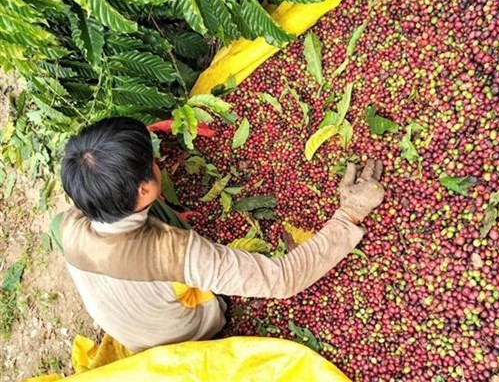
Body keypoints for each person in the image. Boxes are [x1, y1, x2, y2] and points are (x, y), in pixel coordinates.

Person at [55, 117, 384, 352]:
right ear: (143, 189)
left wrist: (128, 154)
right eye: (152, 163)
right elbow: (284, 279)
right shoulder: (175, 253)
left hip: (134, 332)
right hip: (184, 337)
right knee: (210, 295)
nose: (158, 163)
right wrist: (350, 214)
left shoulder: (63, 225)